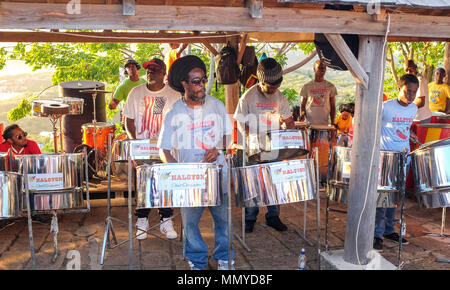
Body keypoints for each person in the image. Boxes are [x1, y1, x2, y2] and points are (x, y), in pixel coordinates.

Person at [158, 55, 234, 270]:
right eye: (196, 81)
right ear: (184, 84)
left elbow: (229, 136)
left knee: (224, 221)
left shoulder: (216, 105)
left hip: (218, 175)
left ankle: (225, 259)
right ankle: (197, 260)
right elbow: (163, 150)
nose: (202, 85)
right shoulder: (174, 112)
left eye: (203, 80)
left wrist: (218, 149)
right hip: (190, 180)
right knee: (190, 225)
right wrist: (178, 172)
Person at [233, 58, 294, 233]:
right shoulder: (248, 97)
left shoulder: (280, 97)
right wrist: (251, 139)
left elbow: (289, 122)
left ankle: (273, 216)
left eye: (277, 87)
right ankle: (250, 217)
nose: (274, 90)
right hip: (253, 147)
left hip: (273, 148)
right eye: (270, 87)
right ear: (261, 81)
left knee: (274, 183)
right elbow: (240, 122)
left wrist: (290, 141)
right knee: (252, 183)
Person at [123, 58, 180, 240]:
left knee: (164, 182)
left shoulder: (173, 95)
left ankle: (165, 219)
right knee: (142, 183)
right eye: (148, 69)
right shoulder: (135, 92)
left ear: (164, 73)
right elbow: (128, 121)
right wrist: (135, 143)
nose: (150, 72)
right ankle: (142, 220)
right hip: (141, 147)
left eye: (155, 69)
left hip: (165, 148)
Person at [373, 74, 419, 251]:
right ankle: (376, 234)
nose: (411, 96)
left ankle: (389, 230)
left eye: (414, 93)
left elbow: (404, 128)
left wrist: (410, 135)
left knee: (395, 197)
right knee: (383, 196)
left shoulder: (413, 108)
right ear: (399, 88)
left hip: (403, 158)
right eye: (408, 92)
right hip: (385, 158)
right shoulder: (385, 107)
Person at [299, 60, 337, 127]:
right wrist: (302, 115)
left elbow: (333, 106)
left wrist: (333, 122)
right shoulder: (307, 86)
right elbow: (302, 105)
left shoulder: (331, 86)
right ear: (314, 69)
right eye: (320, 68)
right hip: (309, 125)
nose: (322, 70)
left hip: (324, 125)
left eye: (324, 68)